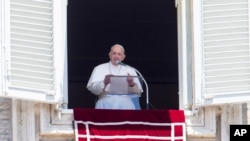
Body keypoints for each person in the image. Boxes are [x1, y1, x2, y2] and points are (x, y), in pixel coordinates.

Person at [86, 44, 143, 110]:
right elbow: (93, 90)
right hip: (105, 104)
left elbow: (138, 92)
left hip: (126, 105)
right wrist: (104, 82)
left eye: (119, 54)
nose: (116, 56)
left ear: (123, 57)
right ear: (109, 55)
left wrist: (131, 84)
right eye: (114, 53)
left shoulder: (130, 70)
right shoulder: (99, 68)